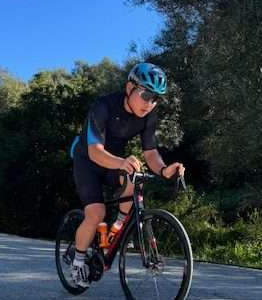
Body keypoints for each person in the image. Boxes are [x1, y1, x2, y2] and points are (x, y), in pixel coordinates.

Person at [69, 62, 185, 288]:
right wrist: (122, 162)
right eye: (146, 95)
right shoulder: (103, 106)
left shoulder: (148, 115)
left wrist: (164, 170)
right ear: (129, 87)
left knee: (136, 176)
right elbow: (95, 152)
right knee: (96, 213)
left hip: (114, 163)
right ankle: (78, 261)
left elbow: (150, 152)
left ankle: (119, 227)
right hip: (88, 162)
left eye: (155, 98)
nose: (149, 103)